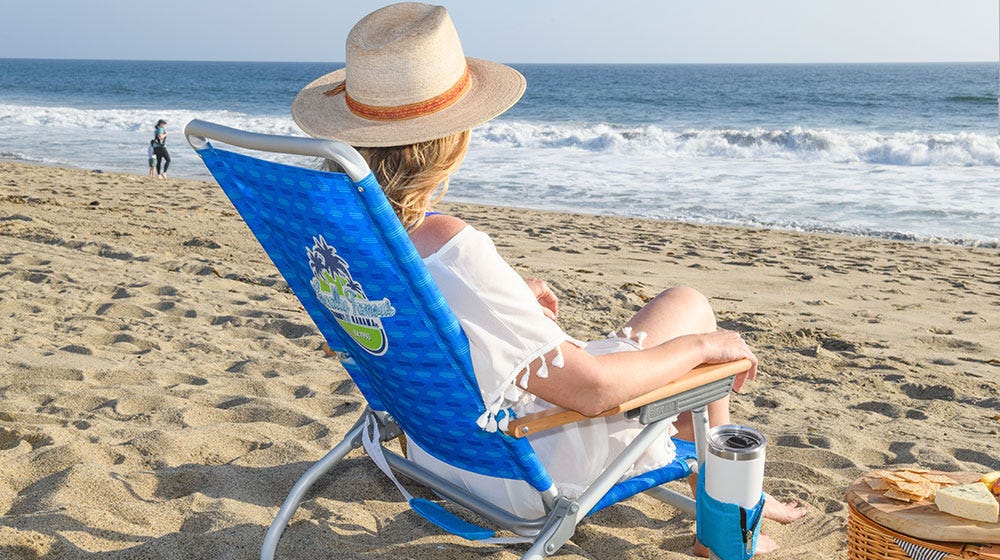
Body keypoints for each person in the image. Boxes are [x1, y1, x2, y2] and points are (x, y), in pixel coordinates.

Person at [291, 3, 807, 554]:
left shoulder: (340, 240)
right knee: (690, 311)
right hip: (525, 457)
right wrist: (703, 347)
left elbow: (396, 329)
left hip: (435, 448)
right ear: (452, 139)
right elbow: (592, 391)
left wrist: (509, 298)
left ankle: (713, 475)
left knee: (678, 314)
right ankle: (724, 505)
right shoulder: (449, 245)